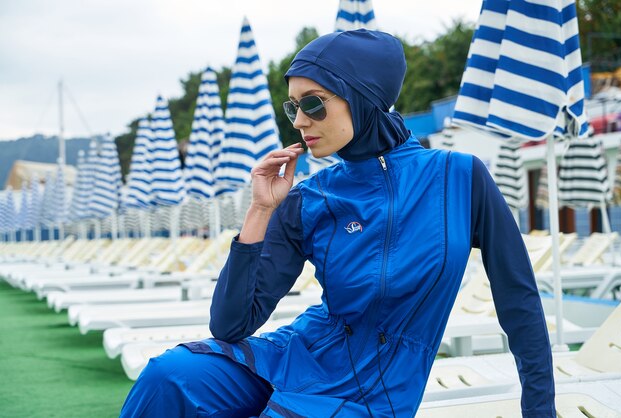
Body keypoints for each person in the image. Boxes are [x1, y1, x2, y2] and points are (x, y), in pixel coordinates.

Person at [120, 29, 556, 417]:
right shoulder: (309, 196)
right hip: (300, 354)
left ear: (361, 97)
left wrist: (539, 409)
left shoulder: (458, 177)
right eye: (293, 107)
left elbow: (519, 300)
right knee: (169, 374)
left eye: (314, 103)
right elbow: (231, 326)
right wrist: (260, 210)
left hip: (376, 388)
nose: (301, 121)